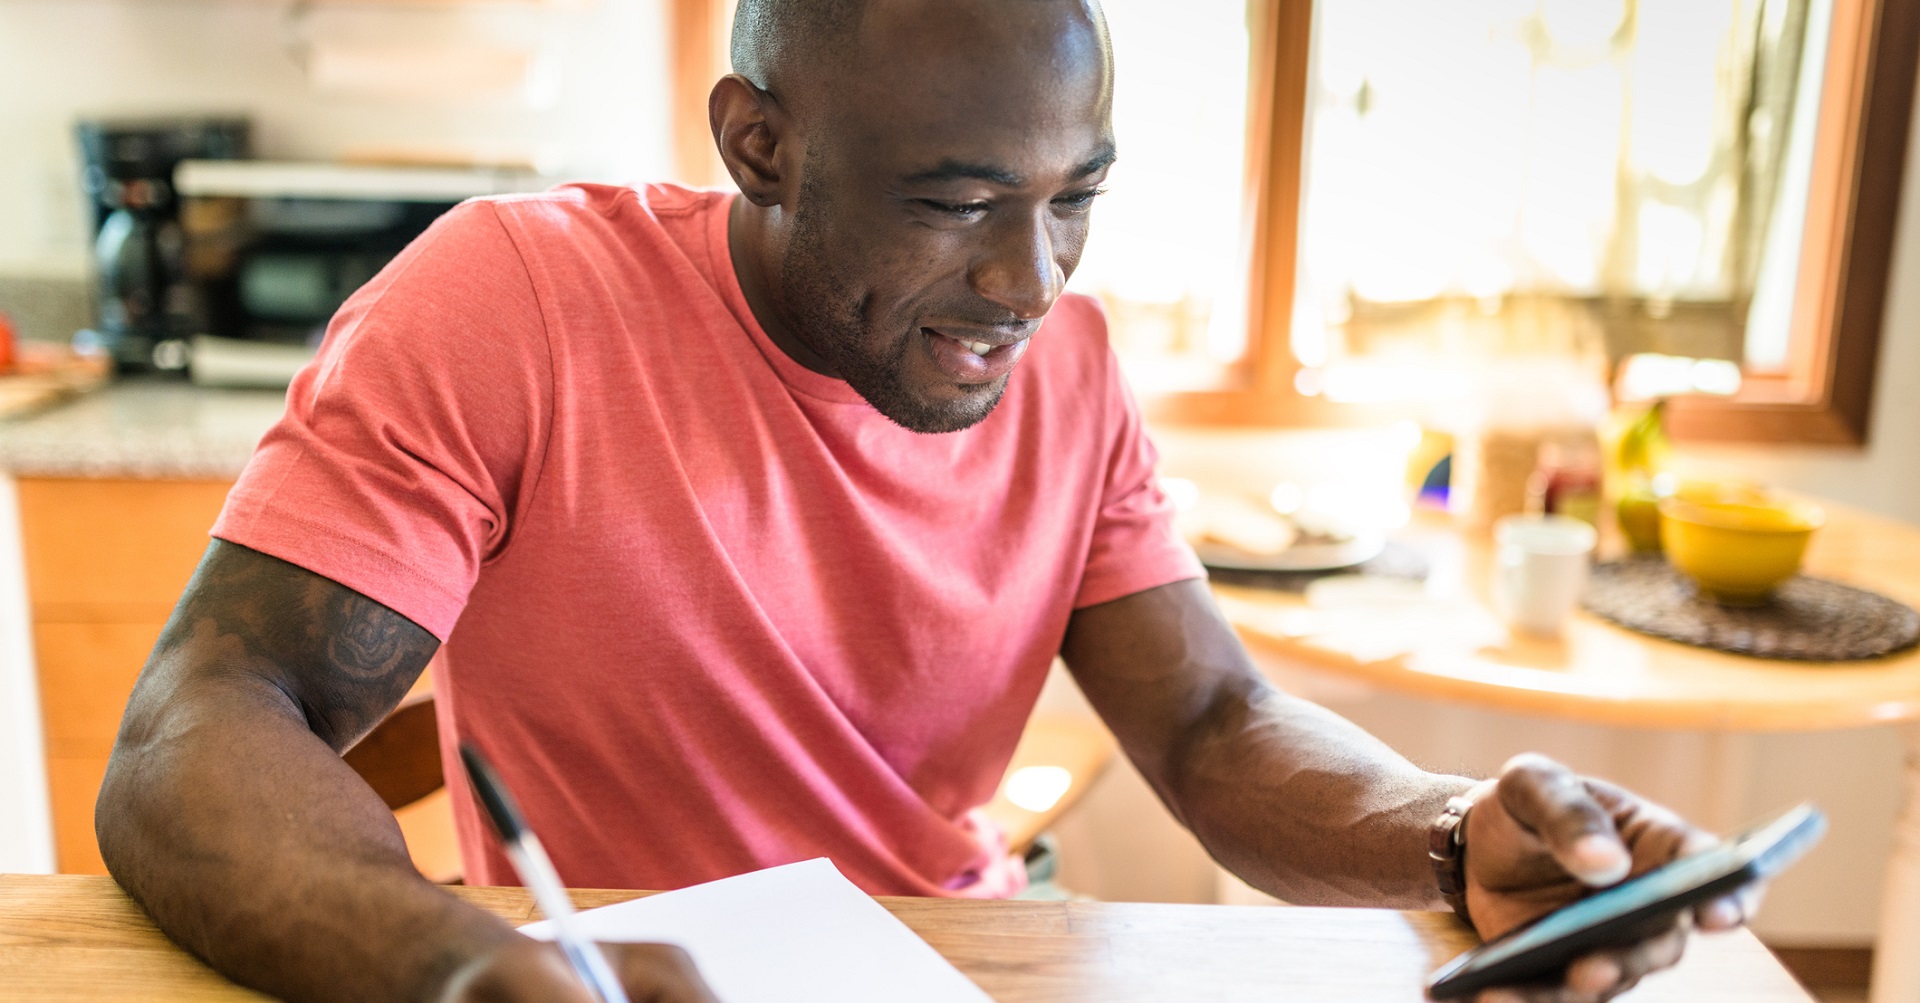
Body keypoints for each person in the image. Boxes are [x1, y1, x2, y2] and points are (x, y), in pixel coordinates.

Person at [95, 2, 1762, 1001]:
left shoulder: (1074, 360)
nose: (1027, 282)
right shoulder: (512, 302)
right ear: (757, 141)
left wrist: (1460, 836)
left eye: (1076, 199)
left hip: (963, 964)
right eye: (958, 202)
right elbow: (204, 723)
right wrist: (452, 966)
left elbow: (1209, 724)